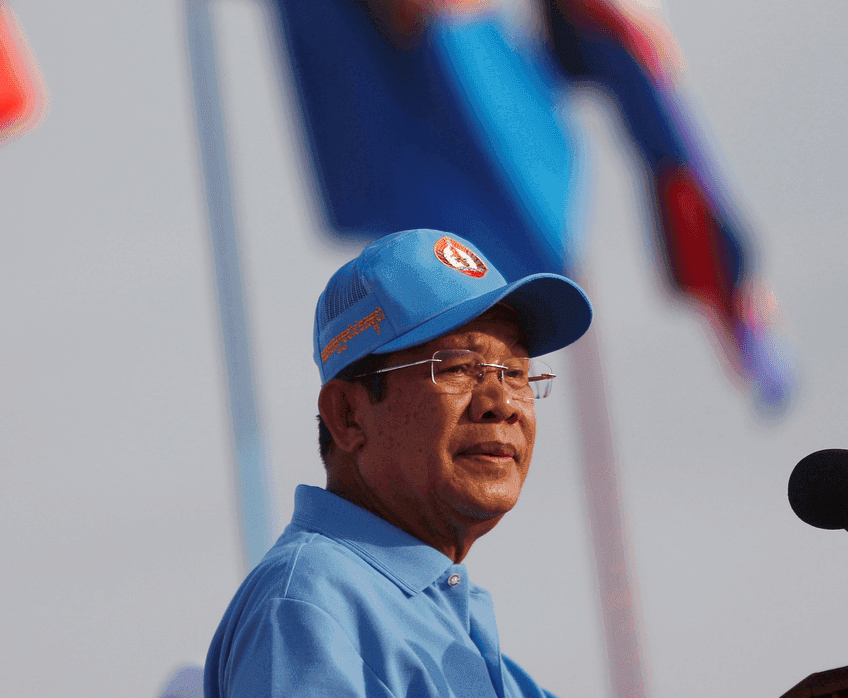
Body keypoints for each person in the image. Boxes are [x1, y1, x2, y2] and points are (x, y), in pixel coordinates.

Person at [205, 228, 593, 698]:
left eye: (515, 374)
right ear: (347, 415)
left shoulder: (469, 641)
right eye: (456, 367)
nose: (502, 402)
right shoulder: (307, 609)